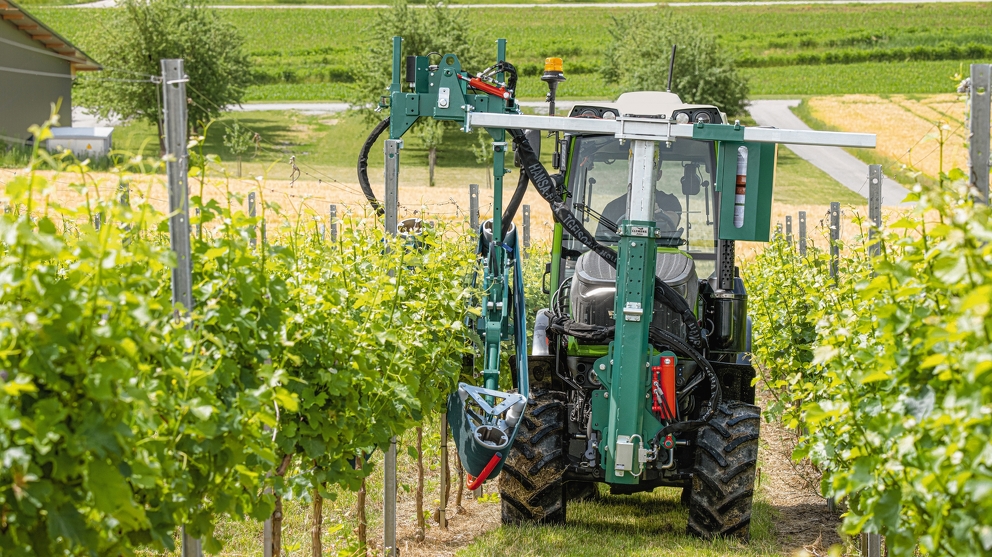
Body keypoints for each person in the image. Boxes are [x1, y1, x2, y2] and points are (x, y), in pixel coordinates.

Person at [595, 188, 683, 240]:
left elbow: (673, 220)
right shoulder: (613, 206)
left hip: (664, 256)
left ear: (658, 174)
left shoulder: (669, 201)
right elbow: (602, 242)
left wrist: (660, 212)